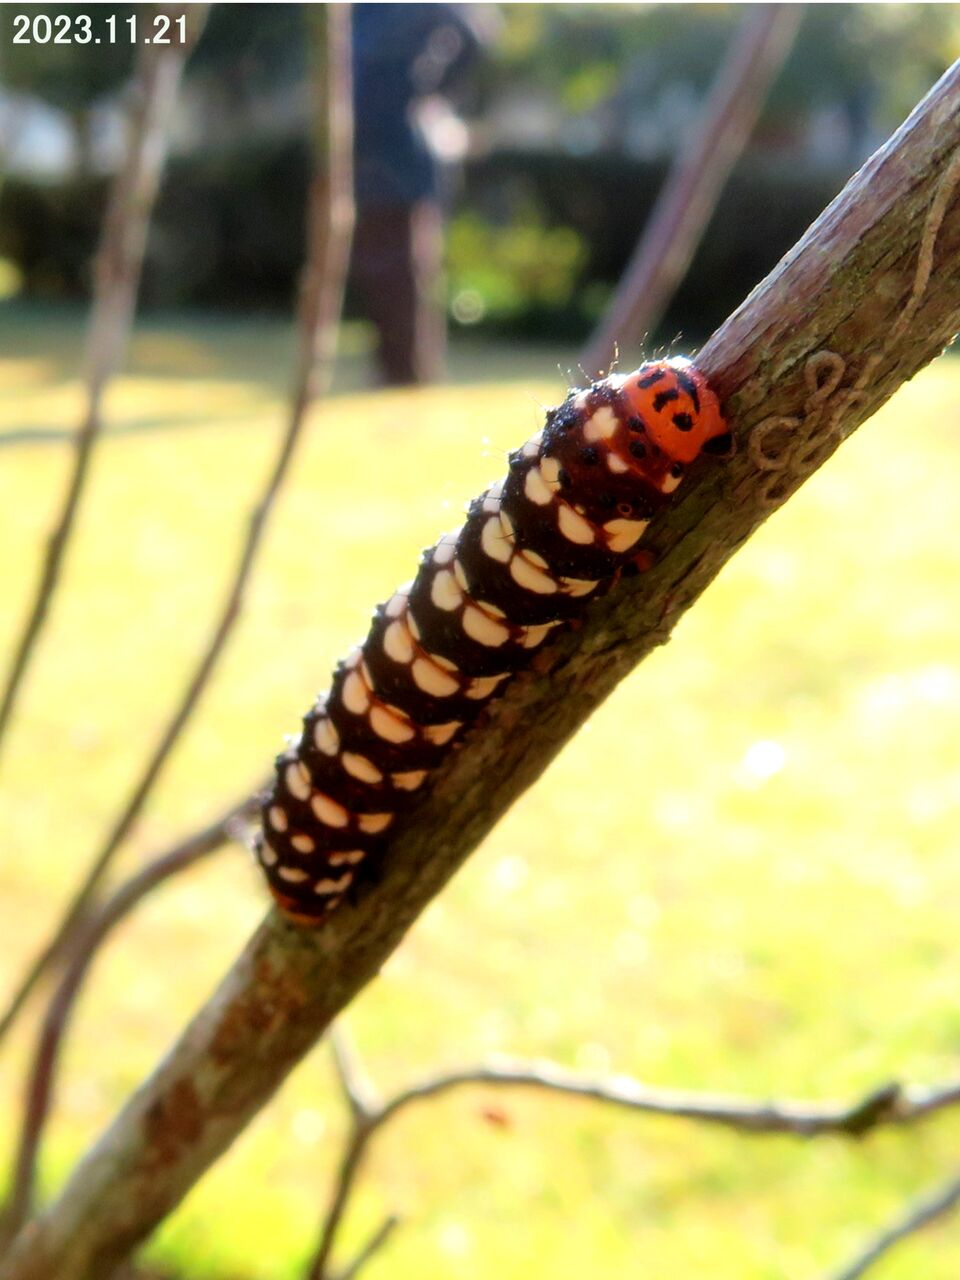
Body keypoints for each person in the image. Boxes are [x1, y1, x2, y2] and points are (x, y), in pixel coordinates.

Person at [350, 3, 483, 385]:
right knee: (377, 265)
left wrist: (433, 88)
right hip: (367, 147)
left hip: (402, 148)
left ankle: (408, 369)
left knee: (402, 265)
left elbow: (471, 27)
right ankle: (390, 364)